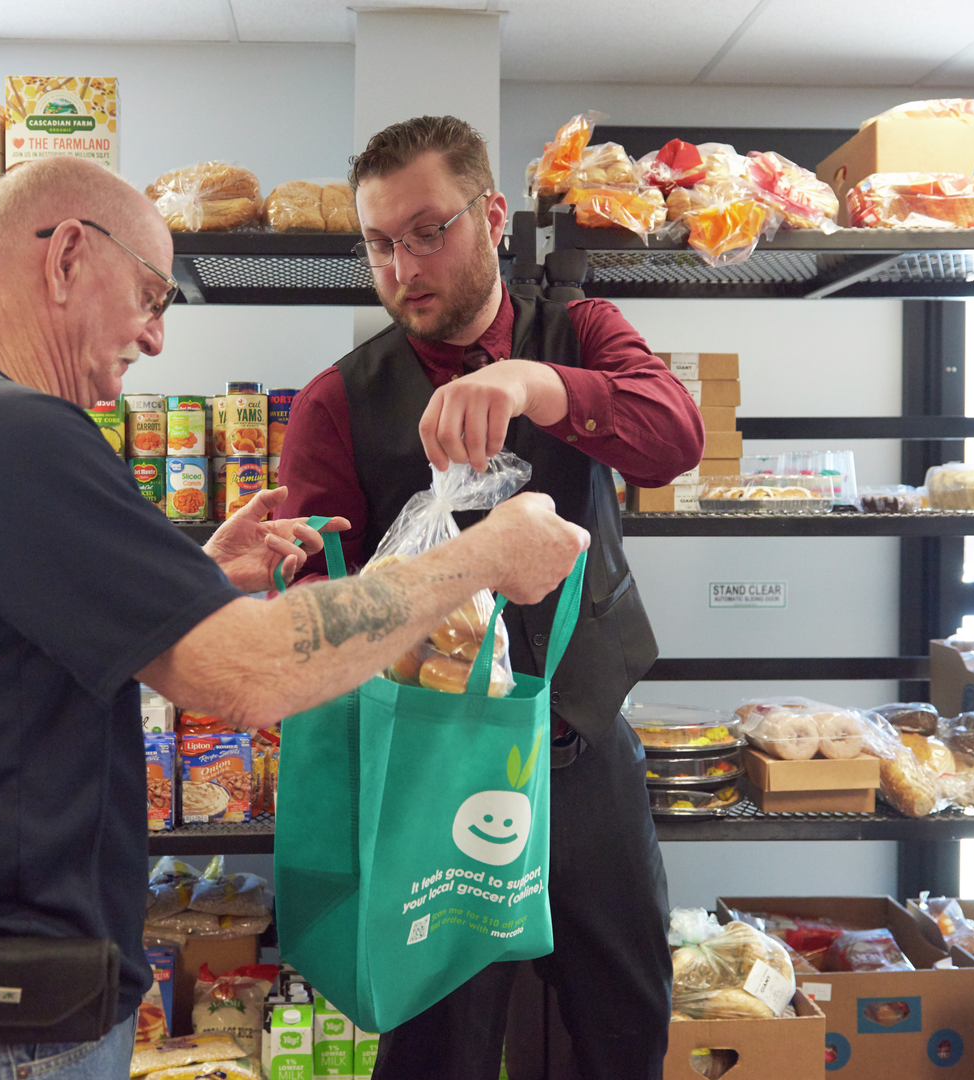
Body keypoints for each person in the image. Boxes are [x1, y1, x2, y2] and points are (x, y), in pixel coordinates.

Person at [0, 155, 589, 1080]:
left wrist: (191, 581)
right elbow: (254, 679)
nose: (153, 339)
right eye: (151, 296)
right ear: (68, 255)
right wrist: (479, 557)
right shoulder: (16, 431)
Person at [273, 116, 705, 1080]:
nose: (402, 264)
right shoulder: (337, 402)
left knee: (626, 1025)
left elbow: (676, 436)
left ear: (494, 216)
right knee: (437, 1049)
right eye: (379, 243)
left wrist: (535, 382)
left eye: (429, 230)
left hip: (584, 749)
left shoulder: (580, 332)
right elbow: (312, 614)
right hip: (431, 780)